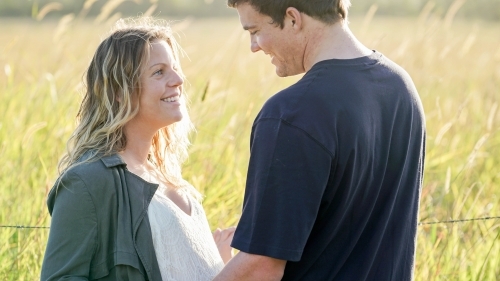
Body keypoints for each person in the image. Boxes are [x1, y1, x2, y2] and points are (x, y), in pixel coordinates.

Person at [213, 0, 426, 280]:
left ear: (292, 18)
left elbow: (262, 267)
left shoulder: (291, 115)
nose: (254, 46)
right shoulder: (400, 87)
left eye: (254, 30)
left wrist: (219, 264)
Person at [41, 17, 234, 281]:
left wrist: (222, 264)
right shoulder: (88, 182)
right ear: (120, 91)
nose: (178, 79)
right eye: (159, 72)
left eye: (175, 68)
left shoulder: (170, 178)